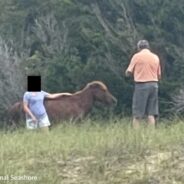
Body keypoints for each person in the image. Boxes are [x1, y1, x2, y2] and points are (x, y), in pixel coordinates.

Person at [125, 40, 161, 128]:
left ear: (138, 48)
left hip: (141, 85)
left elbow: (129, 71)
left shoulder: (137, 56)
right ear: (148, 47)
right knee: (151, 113)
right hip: (154, 85)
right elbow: (159, 75)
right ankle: (151, 134)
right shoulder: (155, 57)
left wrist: (127, 74)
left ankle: (136, 135)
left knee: (137, 114)